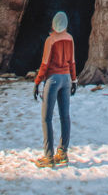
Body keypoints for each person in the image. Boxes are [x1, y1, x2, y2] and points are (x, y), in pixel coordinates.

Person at [33, 10, 77, 167]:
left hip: (53, 80)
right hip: (66, 79)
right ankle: (63, 153)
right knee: (65, 116)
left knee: (47, 118)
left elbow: (44, 64)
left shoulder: (50, 40)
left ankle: (49, 156)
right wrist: (74, 80)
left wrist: (37, 82)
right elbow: (72, 62)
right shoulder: (70, 38)